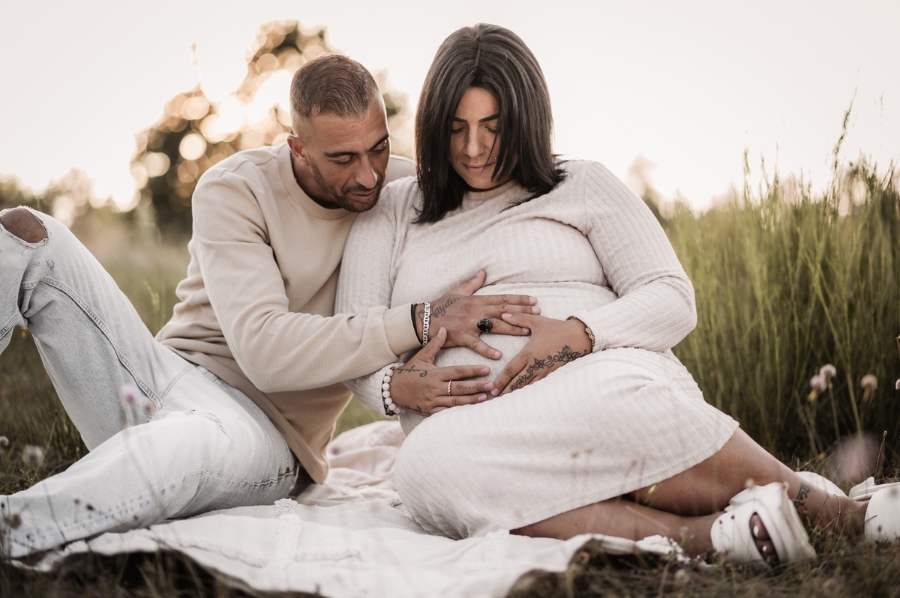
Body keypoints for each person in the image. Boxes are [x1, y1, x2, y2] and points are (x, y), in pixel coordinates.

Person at [337, 24, 898, 566]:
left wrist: (578, 336)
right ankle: (710, 537)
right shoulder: (392, 210)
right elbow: (351, 340)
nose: (474, 148)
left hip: (597, 381)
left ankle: (832, 513)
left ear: (528, 118)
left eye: (493, 125)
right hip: (470, 429)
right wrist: (396, 387)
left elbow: (673, 297)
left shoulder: (581, 184)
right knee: (422, 468)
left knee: (621, 393)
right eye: (456, 128)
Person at [0, 54, 540, 558]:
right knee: (27, 233)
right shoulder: (234, 189)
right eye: (342, 158)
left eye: (378, 147)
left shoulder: (404, 192)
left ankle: (14, 527)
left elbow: (511, 202)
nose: (369, 175)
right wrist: (417, 321)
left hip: (266, 437)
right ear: (297, 148)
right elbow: (264, 349)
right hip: (156, 379)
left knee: (188, 440)